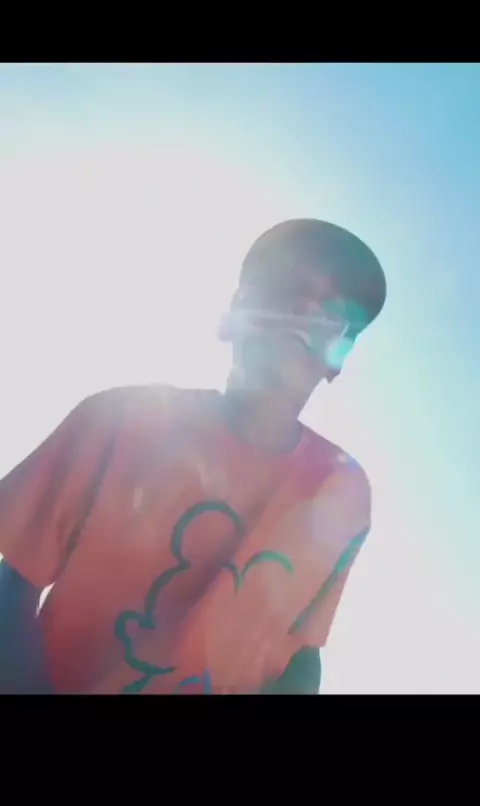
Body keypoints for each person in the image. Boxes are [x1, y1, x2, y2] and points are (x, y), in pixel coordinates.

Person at [0, 218, 386, 695]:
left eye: (336, 311)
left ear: (338, 358)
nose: (308, 309)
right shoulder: (118, 420)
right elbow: (15, 579)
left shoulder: (344, 492)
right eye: (286, 285)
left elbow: (302, 651)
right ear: (230, 316)